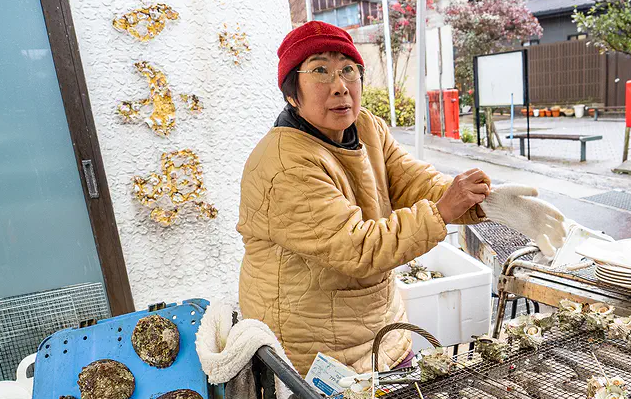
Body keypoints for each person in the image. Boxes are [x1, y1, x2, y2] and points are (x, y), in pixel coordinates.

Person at [237, 21, 566, 375]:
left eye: (348, 70)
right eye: (320, 71)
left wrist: (485, 202)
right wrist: (442, 212)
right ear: (292, 94)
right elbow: (358, 248)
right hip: (313, 352)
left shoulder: (367, 127)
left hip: (382, 328)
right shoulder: (285, 163)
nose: (340, 86)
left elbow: (415, 182)